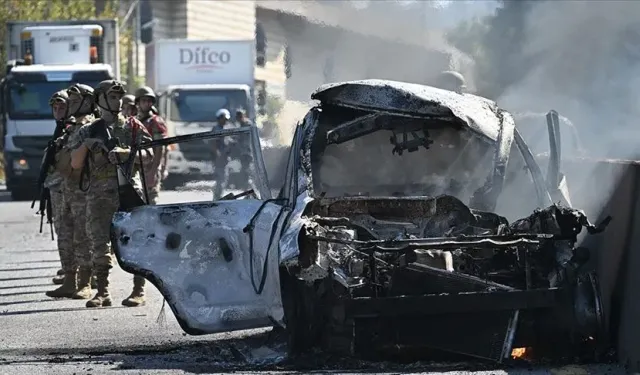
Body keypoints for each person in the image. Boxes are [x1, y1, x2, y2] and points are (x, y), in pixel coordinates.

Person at [68, 80, 153, 308]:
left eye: (119, 97)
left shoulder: (132, 126)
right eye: (113, 97)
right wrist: (88, 144)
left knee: (135, 241)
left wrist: (126, 153)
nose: (118, 101)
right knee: (98, 242)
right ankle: (103, 292)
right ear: (100, 100)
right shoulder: (88, 130)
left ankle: (138, 290)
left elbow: (149, 155)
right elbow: (75, 164)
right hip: (98, 195)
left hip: (128, 192)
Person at [119, 86, 168, 308]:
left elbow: (159, 150)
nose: (146, 105)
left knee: (144, 224)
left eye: (149, 101)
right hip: (131, 179)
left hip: (147, 176)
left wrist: (154, 172)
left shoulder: (154, 122)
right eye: (143, 101)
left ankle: (140, 287)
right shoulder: (130, 123)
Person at [49, 83, 99, 299]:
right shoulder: (71, 127)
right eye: (72, 101)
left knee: (82, 237)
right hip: (66, 190)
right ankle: (70, 280)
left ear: (88, 102)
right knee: (65, 237)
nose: (73, 105)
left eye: (77, 100)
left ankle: (85, 283)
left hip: (84, 191)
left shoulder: (92, 126)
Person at [43, 90, 73, 295]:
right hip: (56, 186)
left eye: (62, 107)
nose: (58, 111)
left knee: (69, 232)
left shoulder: (71, 129)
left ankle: (75, 275)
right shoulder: (60, 128)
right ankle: (69, 271)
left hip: (67, 187)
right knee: (63, 231)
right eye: (55, 108)